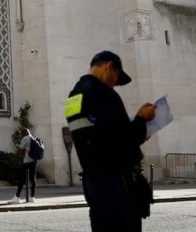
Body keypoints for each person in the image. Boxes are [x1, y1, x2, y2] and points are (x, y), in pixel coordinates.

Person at [64, 50, 156, 232]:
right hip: (116, 182)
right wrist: (141, 119)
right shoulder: (103, 93)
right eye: (116, 79)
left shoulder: (73, 96)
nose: (115, 85)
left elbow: (102, 136)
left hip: (93, 181)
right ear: (110, 67)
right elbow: (123, 139)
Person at [8, 128, 38, 204]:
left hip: (27, 161)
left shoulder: (25, 139)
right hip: (34, 161)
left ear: (24, 133)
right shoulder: (33, 138)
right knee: (33, 179)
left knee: (21, 179)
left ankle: (17, 197)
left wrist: (18, 147)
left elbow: (20, 151)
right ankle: (32, 197)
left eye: (22, 133)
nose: (21, 135)